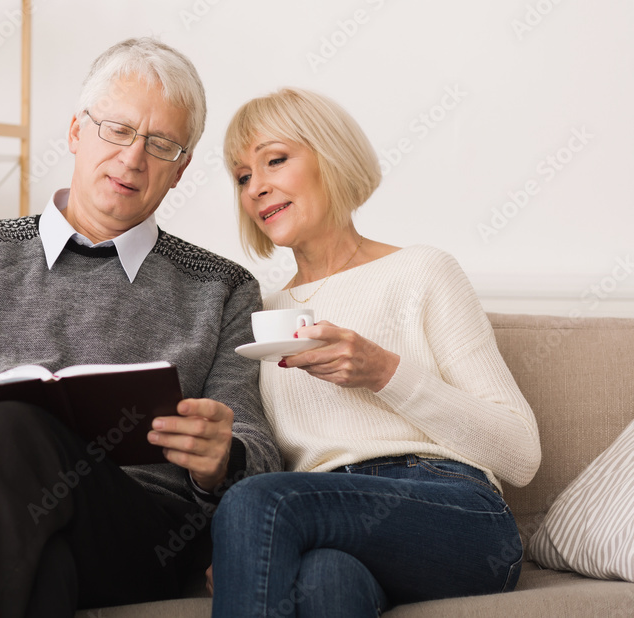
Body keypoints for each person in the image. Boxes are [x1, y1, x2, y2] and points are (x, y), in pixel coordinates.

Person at [0, 38, 281, 618]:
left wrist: (223, 456)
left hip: (129, 531)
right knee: (41, 569)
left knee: (12, 427)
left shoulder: (221, 287)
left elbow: (257, 448)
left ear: (180, 171)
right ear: (76, 132)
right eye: (117, 131)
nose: (131, 159)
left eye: (161, 145)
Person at [207, 88, 542, 617]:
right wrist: (242, 544)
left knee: (257, 503)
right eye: (243, 176)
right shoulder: (260, 315)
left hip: (452, 513)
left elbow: (521, 454)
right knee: (326, 582)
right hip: (325, 523)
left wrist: (385, 373)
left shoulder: (423, 271)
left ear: (330, 156)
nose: (257, 188)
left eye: (275, 159)